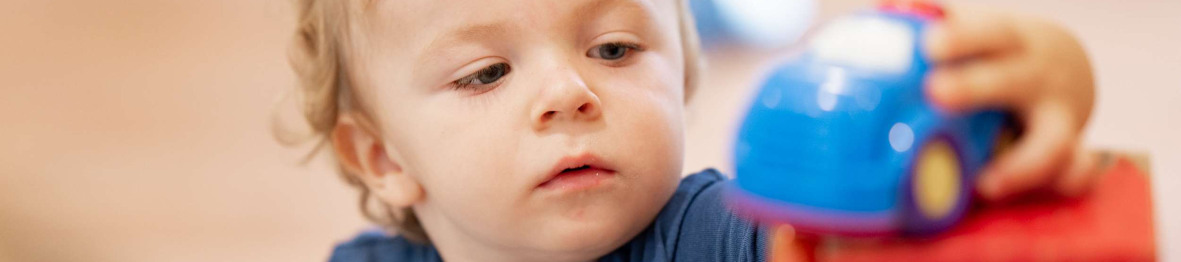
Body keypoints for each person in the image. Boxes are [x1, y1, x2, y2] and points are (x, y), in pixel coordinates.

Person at [281, 0, 1101, 261]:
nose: (568, 93)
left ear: (682, 79)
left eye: (613, 49)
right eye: (486, 74)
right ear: (383, 157)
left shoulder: (718, 234)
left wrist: (1037, 87)